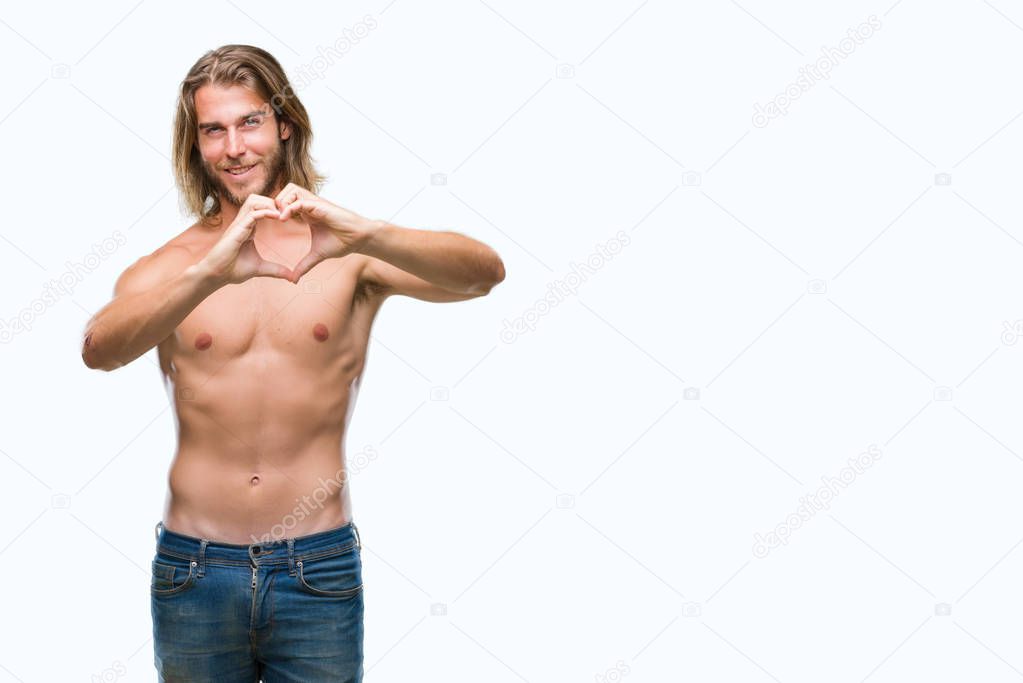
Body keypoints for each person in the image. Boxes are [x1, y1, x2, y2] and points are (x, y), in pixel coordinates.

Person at [81, 44, 505, 682]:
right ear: (196, 145)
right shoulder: (174, 268)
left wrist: (368, 233)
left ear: (283, 123)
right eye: (213, 130)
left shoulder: (347, 251)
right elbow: (99, 350)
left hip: (318, 565)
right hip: (195, 569)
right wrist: (208, 275)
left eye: (249, 122)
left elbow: (484, 276)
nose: (234, 147)